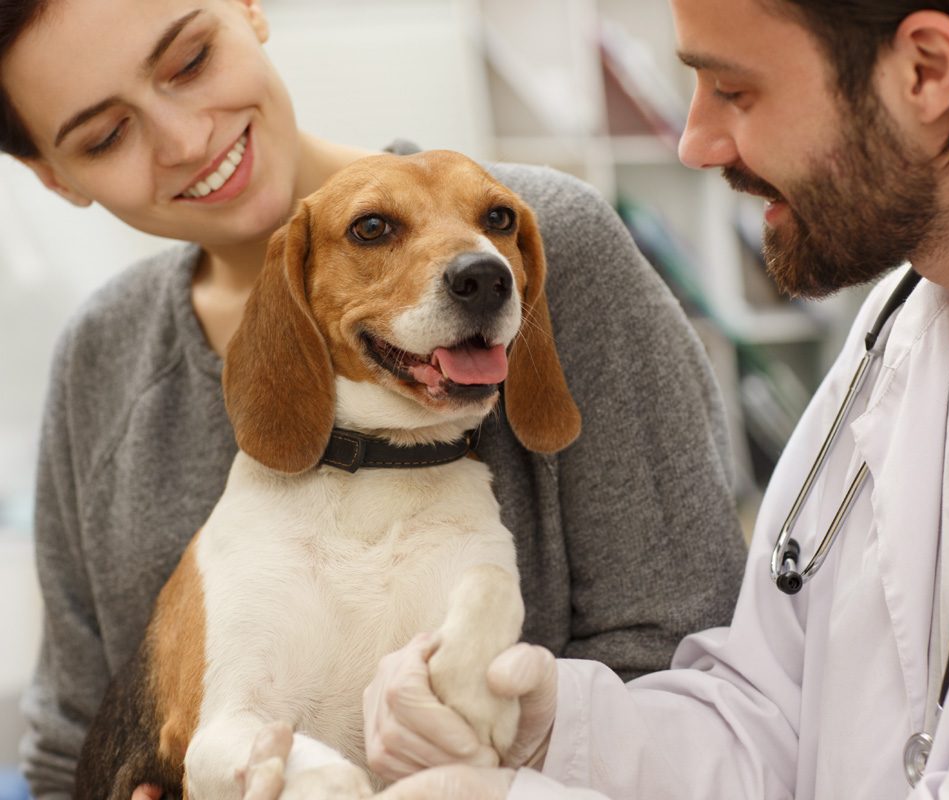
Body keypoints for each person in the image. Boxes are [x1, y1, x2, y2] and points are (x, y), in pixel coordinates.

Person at [0, 0, 748, 797]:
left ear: (249, 8)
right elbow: (67, 750)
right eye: (105, 136)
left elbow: (694, 666)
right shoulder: (100, 355)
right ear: (52, 174)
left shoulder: (554, 241)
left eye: (190, 61)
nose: (188, 140)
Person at [352, 0, 949, 798]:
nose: (695, 142)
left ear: (927, 70)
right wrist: (557, 730)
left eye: (734, 91)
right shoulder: (899, 333)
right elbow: (767, 724)